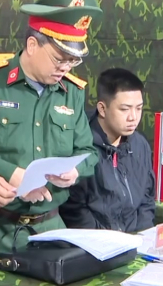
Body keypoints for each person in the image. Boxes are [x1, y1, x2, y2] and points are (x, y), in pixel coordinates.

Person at [0, 0, 101, 278]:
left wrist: (75, 172)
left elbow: (89, 153)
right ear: (32, 45)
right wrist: (10, 173)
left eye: (73, 60)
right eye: (59, 59)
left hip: (47, 231)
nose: (65, 67)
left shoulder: (72, 92)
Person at [59, 68, 155, 232]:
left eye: (138, 108)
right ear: (102, 109)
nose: (133, 117)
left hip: (135, 242)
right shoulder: (80, 147)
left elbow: (147, 198)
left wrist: (142, 235)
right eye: (124, 109)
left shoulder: (140, 145)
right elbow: (74, 208)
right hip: (94, 245)